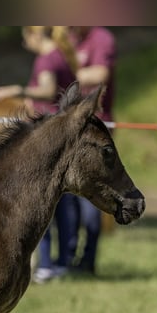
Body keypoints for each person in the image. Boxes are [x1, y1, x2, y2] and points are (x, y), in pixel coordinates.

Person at [0, 26, 78, 284]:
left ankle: (46, 264)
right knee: (62, 201)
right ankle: (62, 261)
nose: (26, 44)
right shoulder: (61, 55)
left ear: (35, 35)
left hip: (47, 136)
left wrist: (16, 90)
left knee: (39, 198)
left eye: (25, 38)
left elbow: (48, 91)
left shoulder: (46, 59)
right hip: (60, 132)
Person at [60, 26, 117, 277]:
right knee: (68, 200)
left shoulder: (101, 38)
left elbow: (102, 73)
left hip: (94, 130)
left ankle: (88, 260)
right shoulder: (68, 38)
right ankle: (69, 257)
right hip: (69, 129)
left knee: (93, 198)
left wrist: (66, 74)